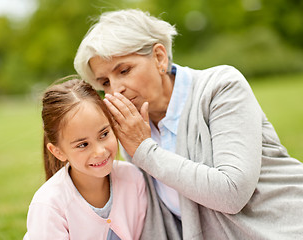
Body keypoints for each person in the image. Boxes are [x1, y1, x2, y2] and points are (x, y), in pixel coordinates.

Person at [74, 9, 303, 239]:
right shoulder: (133, 127)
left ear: (159, 57)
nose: (116, 90)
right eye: (105, 82)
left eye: (124, 70)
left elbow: (232, 193)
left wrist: (144, 150)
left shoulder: (221, 87)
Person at [23, 77, 147, 240]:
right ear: (58, 152)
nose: (100, 151)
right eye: (83, 145)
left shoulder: (133, 178)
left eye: (104, 134)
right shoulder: (49, 204)